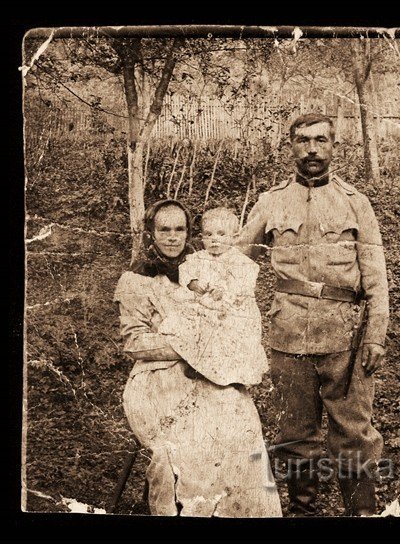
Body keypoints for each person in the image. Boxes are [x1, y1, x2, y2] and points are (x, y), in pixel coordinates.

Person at [236, 113, 389, 516]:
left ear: (333, 146)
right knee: (294, 434)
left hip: (346, 340)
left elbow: (376, 276)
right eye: (303, 141)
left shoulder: (356, 203)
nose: (312, 150)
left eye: (321, 140)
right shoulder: (271, 201)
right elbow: (236, 262)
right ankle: (305, 512)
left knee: (353, 432)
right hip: (288, 337)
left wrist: (375, 335)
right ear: (291, 147)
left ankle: (363, 513)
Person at [114, 199, 282, 517]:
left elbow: (233, 318)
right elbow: (133, 343)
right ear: (151, 232)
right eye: (164, 229)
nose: (173, 237)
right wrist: (189, 347)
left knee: (241, 429)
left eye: (180, 229)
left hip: (209, 375)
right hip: (157, 380)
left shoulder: (205, 267)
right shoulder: (136, 279)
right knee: (181, 445)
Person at [158, 206, 268, 386]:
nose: (214, 239)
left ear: (234, 237)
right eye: (208, 235)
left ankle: (227, 371)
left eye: (221, 234)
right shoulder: (198, 258)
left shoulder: (240, 261)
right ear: (202, 238)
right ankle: (197, 363)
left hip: (229, 307)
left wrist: (226, 292)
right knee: (191, 321)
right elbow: (185, 272)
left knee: (227, 330)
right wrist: (193, 283)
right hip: (204, 303)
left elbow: (245, 283)